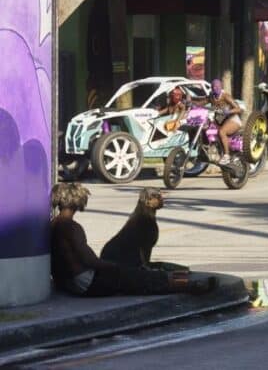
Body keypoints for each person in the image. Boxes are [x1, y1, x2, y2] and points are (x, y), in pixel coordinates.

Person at [50, 183, 215, 297]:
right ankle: (189, 286)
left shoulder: (53, 224)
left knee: (132, 276)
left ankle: (183, 280)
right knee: (139, 279)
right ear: (75, 202)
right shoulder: (72, 227)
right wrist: (113, 266)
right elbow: (89, 260)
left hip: (68, 283)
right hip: (85, 282)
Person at [202, 79, 243, 160]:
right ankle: (208, 151)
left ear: (221, 87)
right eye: (214, 86)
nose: (216, 88)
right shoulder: (211, 97)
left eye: (218, 86)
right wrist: (190, 102)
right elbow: (201, 102)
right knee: (205, 127)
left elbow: (239, 109)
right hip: (220, 121)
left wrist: (228, 111)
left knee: (222, 132)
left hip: (233, 120)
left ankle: (226, 155)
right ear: (211, 87)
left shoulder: (226, 96)